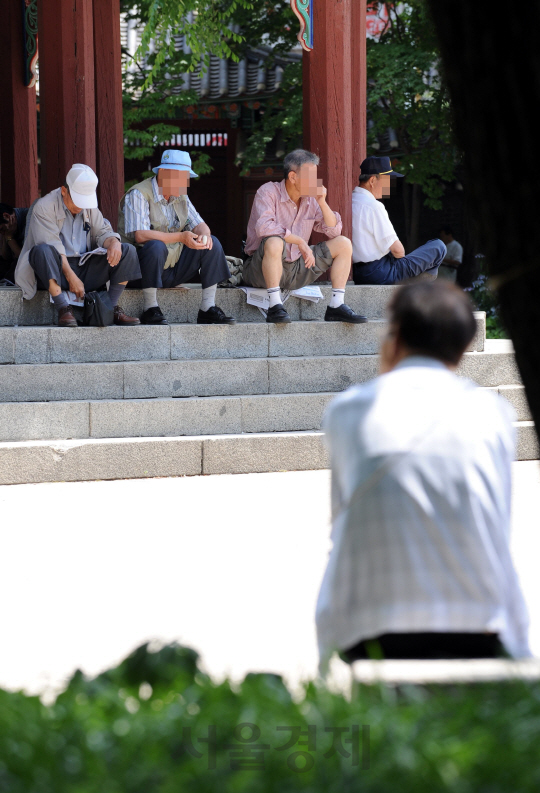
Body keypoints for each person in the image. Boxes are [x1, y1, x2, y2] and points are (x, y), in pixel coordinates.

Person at [316, 280, 530, 672]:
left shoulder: (348, 412)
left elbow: (342, 523)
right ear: (462, 347)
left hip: (371, 632)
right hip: (478, 627)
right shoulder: (493, 415)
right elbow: (496, 527)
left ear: (394, 338)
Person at [243, 149, 367, 324]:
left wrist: (322, 202)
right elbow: (264, 227)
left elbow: (334, 231)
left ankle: (336, 305)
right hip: (260, 271)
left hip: (297, 269)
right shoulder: (268, 191)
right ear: (293, 177)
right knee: (274, 241)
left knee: (344, 243)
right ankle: (275, 305)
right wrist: (299, 241)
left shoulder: (310, 200)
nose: (315, 182)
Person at [118, 150, 235, 326]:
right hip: (141, 271)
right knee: (155, 246)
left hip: (171, 269)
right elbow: (140, 235)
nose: (184, 183)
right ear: (163, 173)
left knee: (213, 243)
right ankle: (150, 308)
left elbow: (199, 224)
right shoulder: (139, 194)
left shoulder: (180, 196)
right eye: (180, 177)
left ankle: (207, 308)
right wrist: (181, 237)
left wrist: (205, 235)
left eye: (186, 177)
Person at [15, 164, 141, 327]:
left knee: (127, 250)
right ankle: (63, 308)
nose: (80, 206)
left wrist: (114, 242)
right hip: (55, 270)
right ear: (63, 191)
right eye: (77, 200)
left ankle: (107, 308)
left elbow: (102, 232)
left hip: (84, 266)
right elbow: (52, 245)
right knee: (42, 251)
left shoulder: (89, 208)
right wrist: (71, 276)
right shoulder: (44, 206)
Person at [351, 156, 447, 284]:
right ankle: (416, 286)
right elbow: (398, 250)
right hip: (381, 273)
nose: (389, 185)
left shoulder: (351, 201)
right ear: (372, 180)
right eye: (386, 180)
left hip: (357, 273)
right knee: (438, 247)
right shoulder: (373, 206)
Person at [0, 203, 29, 284]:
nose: (2, 233)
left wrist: (10, 238)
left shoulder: (28, 219)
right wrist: (6, 237)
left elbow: (23, 258)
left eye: (2, 229)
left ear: (6, 216)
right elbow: (5, 256)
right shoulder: (6, 227)